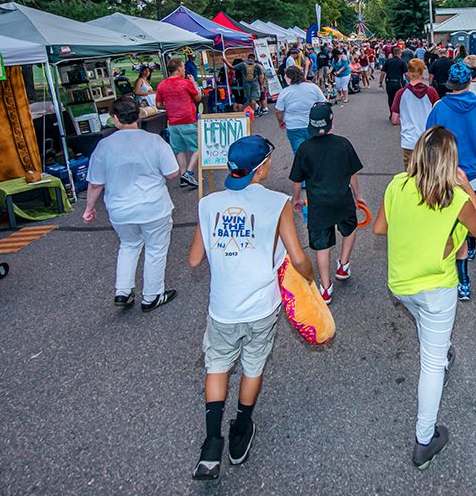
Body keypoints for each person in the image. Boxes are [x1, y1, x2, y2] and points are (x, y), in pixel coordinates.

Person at [189, 135, 314, 481]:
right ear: (262, 167)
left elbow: (195, 259)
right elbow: (298, 257)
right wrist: (310, 279)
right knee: (252, 365)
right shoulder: (276, 203)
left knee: (216, 366)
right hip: (261, 305)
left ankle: (212, 442)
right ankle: (242, 426)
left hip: (222, 307)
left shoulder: (208, 203)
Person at [372, 126, 476, 470]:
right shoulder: (456, 197)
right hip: (437, 287)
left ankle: (439, 352)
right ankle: (425, 440)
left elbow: (380, 227)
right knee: (431, 364)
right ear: (452, 161)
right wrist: (467, 186)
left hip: (401, 285)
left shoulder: (397, 184)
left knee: (428, 330)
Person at [84, 97, 180, 310]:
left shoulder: (104, 145)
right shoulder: (154, 141)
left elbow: (95, 183)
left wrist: (89, 208)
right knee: (155, 248)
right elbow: (173, 173)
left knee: (128, 245)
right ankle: (152, 295)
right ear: (138, 115)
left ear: (115, 119)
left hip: (120, 209)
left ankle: (123, 291)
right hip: (154, 206)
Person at [426, 62, 476, 300]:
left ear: (450, 83)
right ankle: (470, 245)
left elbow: (429, 142)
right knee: (470, 210)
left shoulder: (439, 109)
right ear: (469, 82)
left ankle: (457, 272)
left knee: (447, 217)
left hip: (445, 172)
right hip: (475, 174)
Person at [290, 103, 365, 304]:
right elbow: (352, 174)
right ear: (331, 123)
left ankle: (325, 287)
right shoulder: (343, 144)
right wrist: (358, 196)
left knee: (322, 247)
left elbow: (297, 179)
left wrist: (296, 198)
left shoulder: (304, 149)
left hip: (318, 205)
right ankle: (343, 264)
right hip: (342, 199)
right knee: (350, 228)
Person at [156, 56, 202, 188]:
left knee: (179, 150)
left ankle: (183, 176)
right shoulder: (185, 83)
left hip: (173, 123)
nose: (184, 70)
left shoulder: (161, 85)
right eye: (183, 67)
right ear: (178, 69)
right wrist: (193, 82)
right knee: (199, 146)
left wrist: (170, 106)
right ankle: (188, 172)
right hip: (187, 119)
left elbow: (158, 105)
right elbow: (198, 98)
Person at [391, 58, 440, 168]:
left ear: (408, 73)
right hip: (428, 139)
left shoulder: (401, 93)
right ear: (422, 72)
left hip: (409, 141)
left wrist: (405, 120)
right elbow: (438, 114)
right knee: (428, 173)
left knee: (410, 174)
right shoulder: (431, 92)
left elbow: (394, 119)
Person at [274, 66, 326, 157]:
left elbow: (278, 111)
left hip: (294, 127)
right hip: (313, 124)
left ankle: (304, 170)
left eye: (286, 77)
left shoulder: (285, 92)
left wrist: (281, 122)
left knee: (300, 154)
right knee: (316, 152)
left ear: (289, 78)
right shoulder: (313, 87)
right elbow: (324, 104)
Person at [379, 47, 408, 117]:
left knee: (391, 99)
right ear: (399, 53)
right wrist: (411, 82)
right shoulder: (402, 62)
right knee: (399, 99)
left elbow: (383, 73)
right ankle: (398, 114)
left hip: (389, 83)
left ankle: (392, 114)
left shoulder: (388, 61)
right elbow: (406, 74)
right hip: (399, 83)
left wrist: (380, 82)